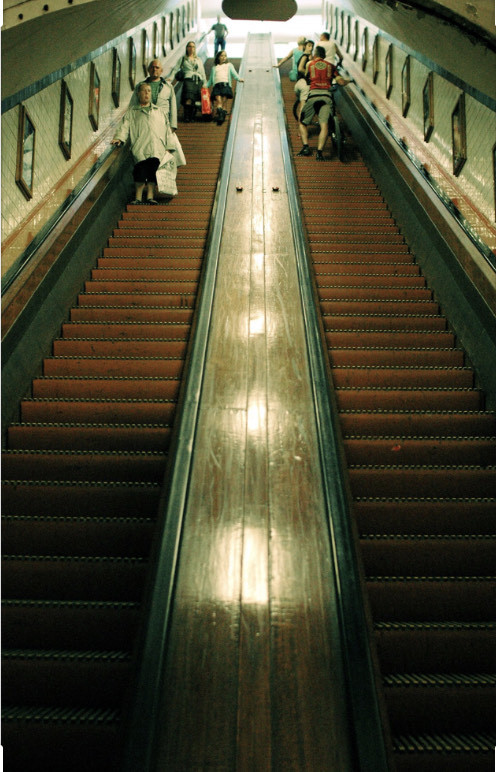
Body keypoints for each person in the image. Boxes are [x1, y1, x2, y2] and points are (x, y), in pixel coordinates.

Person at [111, 83, 178, 203]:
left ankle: (150, 197)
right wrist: (119, 138)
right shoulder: (133, 112)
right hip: (140, 147)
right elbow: (124, 127)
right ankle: (138, 197)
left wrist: (169, 146)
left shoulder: (159, 112)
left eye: (149, 91)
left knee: (153, 173)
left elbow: (168, 130)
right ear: (138, 93)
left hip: (157, 147)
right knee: (139, 173)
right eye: (144, 91)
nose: (147, 93)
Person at [297, 45, 351, 161]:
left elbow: (307, 78)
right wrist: (348, 81)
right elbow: (340, 82)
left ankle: (306, 147)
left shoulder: (309, 64)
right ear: (324, 56)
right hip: (326, 96)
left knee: (302, 122)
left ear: (315, 55)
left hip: (313, 96)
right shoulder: (331, 66)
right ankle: (320, 153)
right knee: (324, 125)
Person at [130, 59, 177, 131]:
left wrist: (173, 126)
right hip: (145, 123)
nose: (154, 69)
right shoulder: (140, 86)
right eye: (152, 67)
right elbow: (133, 105)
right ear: (148, 70)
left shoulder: (168, 87)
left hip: (163, 123)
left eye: (157, 67)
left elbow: (173, 107)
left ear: (161, 71)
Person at [172, 41, 207, 122]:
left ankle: (191, 117)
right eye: (190, 46)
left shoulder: (198, 59)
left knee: (195, 100)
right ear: (187, 48)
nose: (191, 48)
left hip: (198, 81)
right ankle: (187, 116)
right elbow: (175, 69)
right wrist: (170, 78)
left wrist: (205, 83)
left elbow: (202, 72)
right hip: (188, 80)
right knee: (188, 98)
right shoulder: (183, 59)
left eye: (193, 47)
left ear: (195, 49)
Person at [207, 50, 244, 125]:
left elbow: (234, 74)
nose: (224, 57)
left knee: (223, 102)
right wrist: (205, 86)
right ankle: (221, 116)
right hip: (217, 86)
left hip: (225, 85)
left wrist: (239, 79)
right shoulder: (214, 68)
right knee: (219, 101)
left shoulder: (229, 65)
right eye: (222, 56)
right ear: (218, 57)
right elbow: (210, 80)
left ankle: (221, 117)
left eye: (225, 56)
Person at [293, 40, 314, 119]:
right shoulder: (305, 56)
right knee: (303, 106)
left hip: (300, 83)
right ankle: (301, 123)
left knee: (303, 103)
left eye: (312, 46)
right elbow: (300, 68)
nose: (311, 48)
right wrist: (309, 74)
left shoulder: (308, 56)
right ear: (305, 46)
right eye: (309, 46)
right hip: (304, 83)